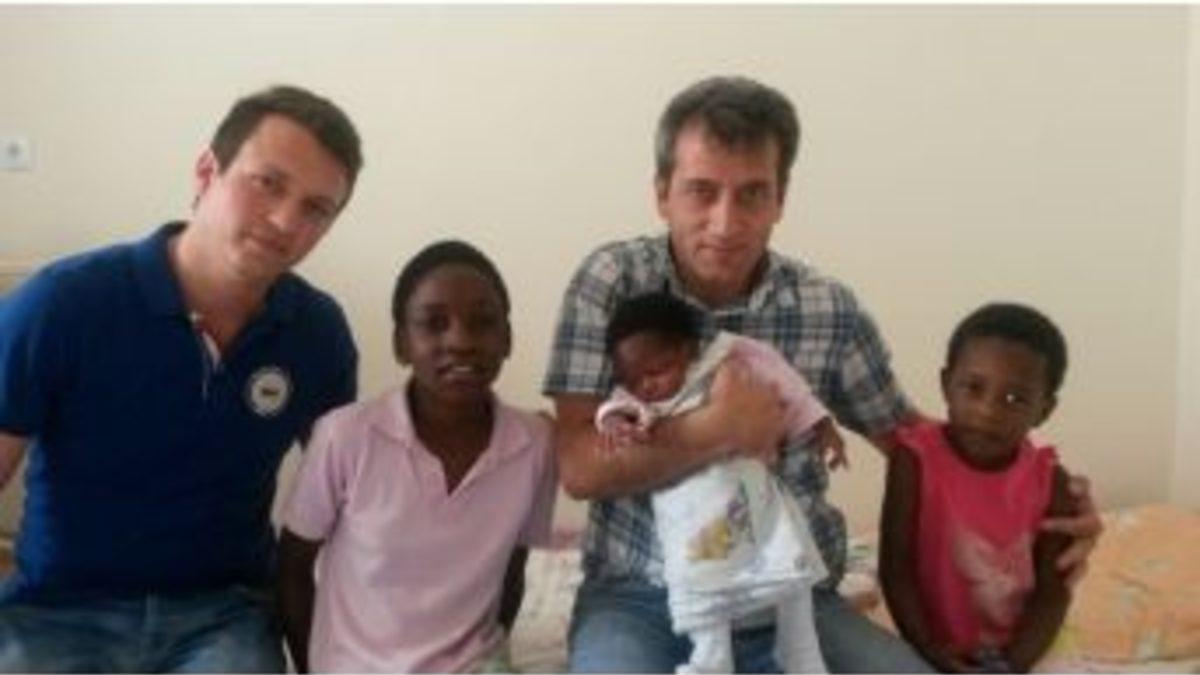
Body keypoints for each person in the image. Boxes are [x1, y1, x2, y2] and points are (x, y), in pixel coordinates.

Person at [542, 74, 1103, 673]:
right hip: (638, 599)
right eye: (702, 191)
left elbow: (917, 442)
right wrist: (718, 428)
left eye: (752, 194)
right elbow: (579, 467)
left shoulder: (826, 308)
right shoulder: (612, 282)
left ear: (781, 200)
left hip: (791, 597)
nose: (726, 222)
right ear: (662, 193)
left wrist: (1040, 501)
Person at [0, 84, 362, 672]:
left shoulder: (318, 333)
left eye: (315, 209)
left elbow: (348, 499)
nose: (284, 221)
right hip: (57, 612)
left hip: (224, 617)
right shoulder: (62, 304)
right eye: (268, 183)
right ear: (206, 172)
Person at [277, 240, 558, 673]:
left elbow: (512, 570)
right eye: (433, 323)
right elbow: (293, 570)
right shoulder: (344, 436)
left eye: (483, 322)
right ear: (401, 344)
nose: (460, 341)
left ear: (507, 339)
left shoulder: (535, 444)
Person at [596, 290, 843, 674]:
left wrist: (822, 424)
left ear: (688, 350)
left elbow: (788, 386)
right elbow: (616, 409)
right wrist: (615, 423)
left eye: (658, 370)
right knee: (704, 592)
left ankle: (800, 653)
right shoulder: (643, 403)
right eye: (634, 379)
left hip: (753, 502)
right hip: (692, 520)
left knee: (790, 574)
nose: (647, 386)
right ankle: (711, 660)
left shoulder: (727, 365)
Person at [879, 303, 1073, 673]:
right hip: (928, 643)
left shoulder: (1052, 481)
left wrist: (1011, 665)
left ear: (1045, 410)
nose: (988, 411)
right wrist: (930, 650)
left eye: (1015, 399)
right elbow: (896, 568)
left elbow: (1052, 593)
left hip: (1021, 649)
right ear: (946, 384)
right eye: (973, 388)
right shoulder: (914, 460)